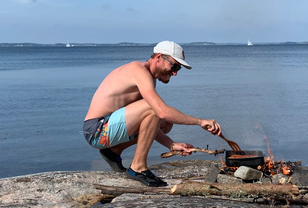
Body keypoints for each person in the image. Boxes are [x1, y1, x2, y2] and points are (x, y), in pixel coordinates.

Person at [83, 41, 222, 187]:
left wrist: (171, 145)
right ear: (159, 57)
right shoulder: (139, 71)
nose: (175, 72)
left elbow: (148, 122)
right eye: (174, 66)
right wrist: (200, 122)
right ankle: (138, 168)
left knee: (166, 123)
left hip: (107, 129)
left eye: (178, 69)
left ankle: (114, 151)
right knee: (155, 109)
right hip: (97, 130)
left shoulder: (147, 77)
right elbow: (160, 111)